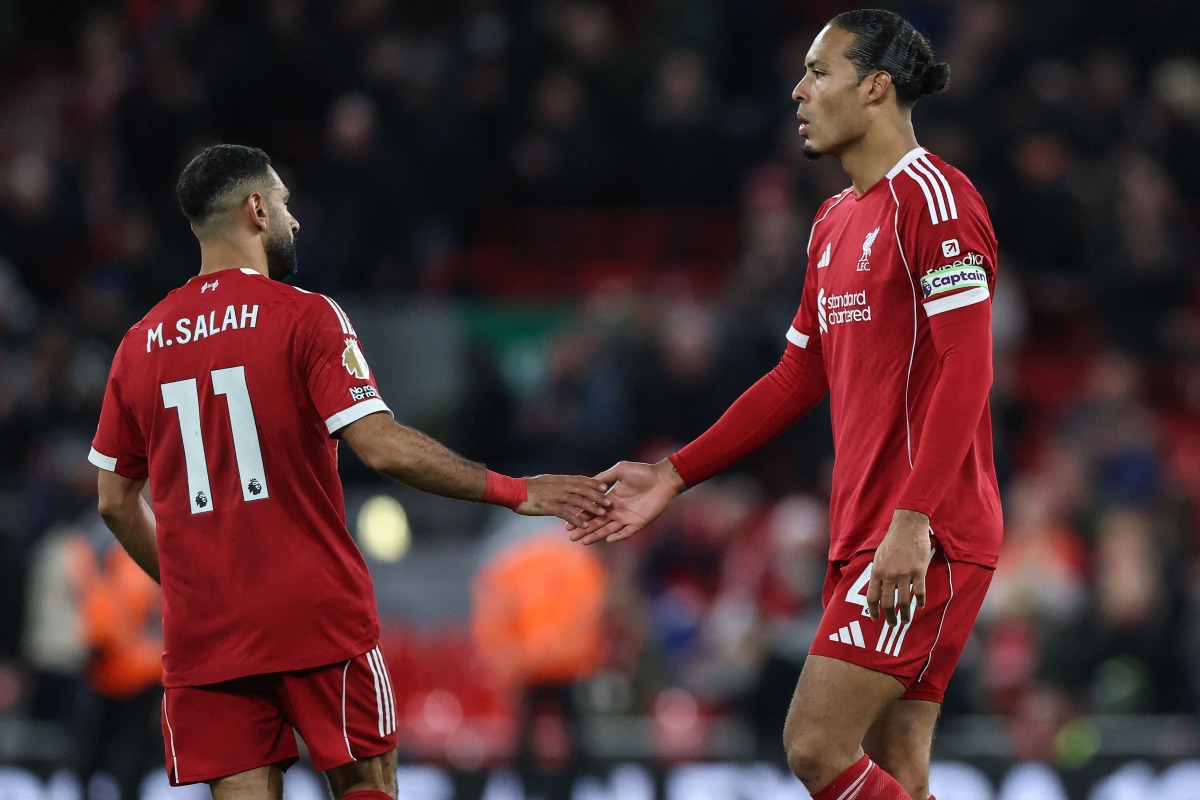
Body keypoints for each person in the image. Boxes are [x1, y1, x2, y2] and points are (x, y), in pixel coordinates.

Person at [88, 143, 612, 800]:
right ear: (256, 209)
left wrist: (192, 586)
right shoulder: (305, 315)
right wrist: (514, 489)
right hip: (312, 612)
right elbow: (382, 447)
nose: (294, 221)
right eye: (283, 204)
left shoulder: (139, 344)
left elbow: (114, 500)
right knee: (366, 783)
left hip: (207, 631)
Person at [571, 10, 1001, 800]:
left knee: (813, 745)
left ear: (875, 88)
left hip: (923, 531)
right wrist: (674, 475)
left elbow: (968, 371)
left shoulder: (936, 200)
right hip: (865, 531)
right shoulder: (834, 220)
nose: (798, 91)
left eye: (819, 72)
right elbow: (796, 379)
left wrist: (912, 521)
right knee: (899, 771)